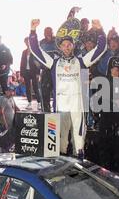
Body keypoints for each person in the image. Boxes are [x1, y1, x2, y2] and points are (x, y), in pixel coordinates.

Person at [29, 18, 107, 157]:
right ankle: (61, 167)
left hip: (78, 105)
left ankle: (80, 163)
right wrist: (33, 31)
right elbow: (36, 50)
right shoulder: (53, 63)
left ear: (73, 46)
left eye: (69, 44)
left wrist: (100, 30)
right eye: (64, 45)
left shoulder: (81, 61)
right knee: (61, 140)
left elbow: (100, 48)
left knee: (79, 139)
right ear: (60, 47)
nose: (66, 47)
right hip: (61, 105)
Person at [0, 86, 19, 153]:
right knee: (0, 138)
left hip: (9, 124)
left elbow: (15, 107)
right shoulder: (3, 99)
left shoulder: (11, 98)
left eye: (12, 91)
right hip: (1, 124)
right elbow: (1, 112)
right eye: (10, 91)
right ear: (6, 92)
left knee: (7, 139)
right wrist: (5, 124)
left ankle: (5, 151)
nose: (12, 93)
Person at [40, 27, 58, 112]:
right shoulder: (41, 43)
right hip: (45, 71)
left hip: (57, 71)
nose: (47, 33)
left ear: (52, 32)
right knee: (45, 93)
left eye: (49, 32)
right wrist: (40, 66)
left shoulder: (57, 41)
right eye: (46, 32)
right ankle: (46, 112)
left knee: (57, 93)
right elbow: (37, 56)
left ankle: (56, 111)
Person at [21, 37, 42, 110]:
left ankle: (39, 103)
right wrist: (21, 74)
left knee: (36, 87)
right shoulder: (24, 52)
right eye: (26, 42)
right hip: (26, 71)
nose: (27, 43)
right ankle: (29, 102)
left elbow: (38, 63)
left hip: (34, 72)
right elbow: (22, 63)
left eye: (28, 42)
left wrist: (38, 73)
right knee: (27, 88)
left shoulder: (35, 51)